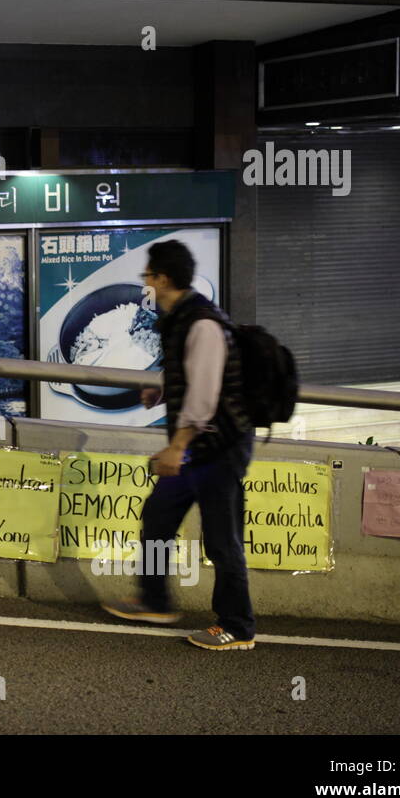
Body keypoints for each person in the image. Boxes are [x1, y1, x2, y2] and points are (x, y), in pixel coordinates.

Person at [101, 240, 257, 651]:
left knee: (222, 539)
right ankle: (155, 601)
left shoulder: (203, 323)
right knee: (158, 516)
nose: (146, 284)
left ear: (163, 278)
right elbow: (189, 375)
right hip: (196, 448)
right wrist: (162, 392)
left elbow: (204, 395)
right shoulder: (182, 318)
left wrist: (177, 447)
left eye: (148, 276)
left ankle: (237, 626)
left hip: (220, 448)